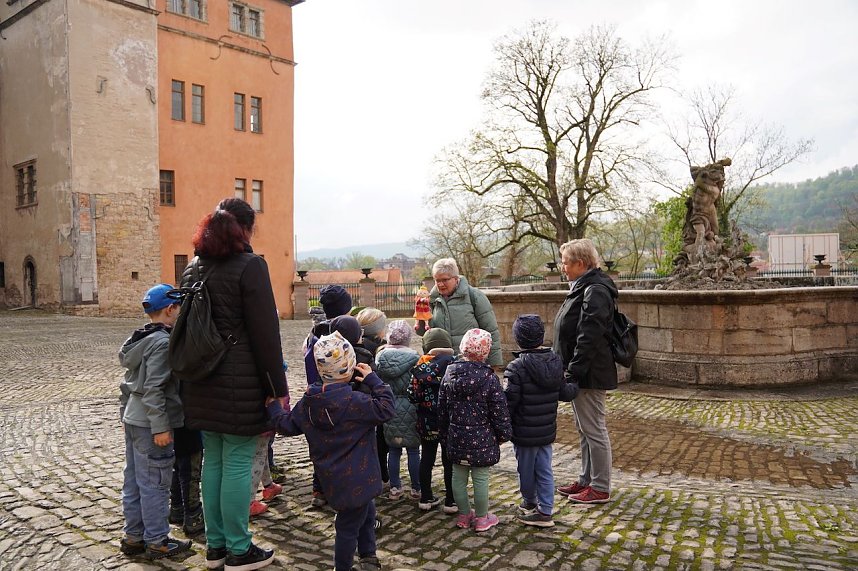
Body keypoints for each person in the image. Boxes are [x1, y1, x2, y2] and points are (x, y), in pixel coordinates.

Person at [179, 198, 288, 570]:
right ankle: (239, 550)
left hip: (200, 380)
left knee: (213, 461)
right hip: (240, 384)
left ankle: (216, 548)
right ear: (246, 229)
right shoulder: (251, 266)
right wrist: (276, 389)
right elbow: (266, 335)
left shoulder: (193, 267)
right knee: (239, 462)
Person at [267, 332, 394, 571]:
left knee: (366, 513)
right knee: (347, 528)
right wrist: (373, 380)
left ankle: (368, 555)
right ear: (350, 367)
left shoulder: (309, 403)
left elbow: (286, 425)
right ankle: (343, 567)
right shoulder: (356, 402)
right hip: (361, 476)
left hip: (333, 479)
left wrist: (274, 407)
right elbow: (387, 408)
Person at [118, 284, 192, 560]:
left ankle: (134, 536)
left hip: (134, 417)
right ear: (170, 309)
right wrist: (161, 427)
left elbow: (128, 384)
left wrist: (126, 414)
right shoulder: (162, 342)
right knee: (156, 482)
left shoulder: (139, 338)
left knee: (134, 481)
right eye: (179, 308)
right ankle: (158, 540)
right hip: (151, 423)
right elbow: (154, 388)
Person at [552, 238, 617, 505]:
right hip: (581, 370)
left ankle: (600, 487)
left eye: (565, 263)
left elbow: (588, 336)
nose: (562, 267)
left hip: (589, 372)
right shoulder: (585, 286)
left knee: (594, 429)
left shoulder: (595, 290)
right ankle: (586, 479)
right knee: (584, 428)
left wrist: (573, 372)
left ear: (580, 264)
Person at [504, 314, 578, 528]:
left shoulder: (516, 367)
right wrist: (576, 382)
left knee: (526, 470)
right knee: (545, 469)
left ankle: (530, 501)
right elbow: (565, 393)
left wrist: (502, 426)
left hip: (524, 433)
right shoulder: (555, 361)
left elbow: (509, 403)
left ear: (518, 339)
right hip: (546, 431)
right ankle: (546, 508)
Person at [438, 329, 512, 533]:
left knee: (458, 477)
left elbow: (441, 408)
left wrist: (444, 434)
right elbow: (499, 410)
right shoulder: (489, 378)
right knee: (480, 479)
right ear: (485, 352)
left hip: (456, 436)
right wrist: (503, 434)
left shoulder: (450, 373)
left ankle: (464, 515)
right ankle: (481, 518)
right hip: (482, 438)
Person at [303, 284, 353, 508]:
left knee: (320, 446)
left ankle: (319, 489)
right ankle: (342, 490)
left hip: (316, 394)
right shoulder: (344, 334)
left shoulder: (313, 334)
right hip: (342, 396)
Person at [408, 328, 456, 512]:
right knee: (449, 461)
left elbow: (412, 395)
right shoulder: (455, 365)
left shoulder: (421, 368)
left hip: (426, 421)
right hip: (449, 421)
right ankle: (451, 501)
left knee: (427, 458)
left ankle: (426, 497)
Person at [425, 258, 503, 367]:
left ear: (456, 278)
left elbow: (491, 331)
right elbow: (425, 334)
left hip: (470, 364)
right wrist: (421, 319)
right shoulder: (431, 300)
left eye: (445, 280)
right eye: (437, 280)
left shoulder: (474, 296)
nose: (440, 284)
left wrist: (495, 364)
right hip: (441, 365)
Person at [376, 319, 421, 500]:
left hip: (389, 405)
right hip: (410, 406)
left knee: (393, 450)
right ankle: (416, 488)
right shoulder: (415, 358)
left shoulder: (380, 357)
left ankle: (395, 487)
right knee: (413, 450)